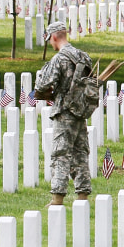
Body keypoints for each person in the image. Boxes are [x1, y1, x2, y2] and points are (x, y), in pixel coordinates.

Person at [34, 21, 92, 206]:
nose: (50, 44)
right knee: (80, 153)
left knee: (61, 154)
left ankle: (57, 198)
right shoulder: (83, 56)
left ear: (54, 37)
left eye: (50, 40)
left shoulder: (59, 59)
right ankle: (83, 196)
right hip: (80, 111)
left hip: (64, 111)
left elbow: (43, 85)